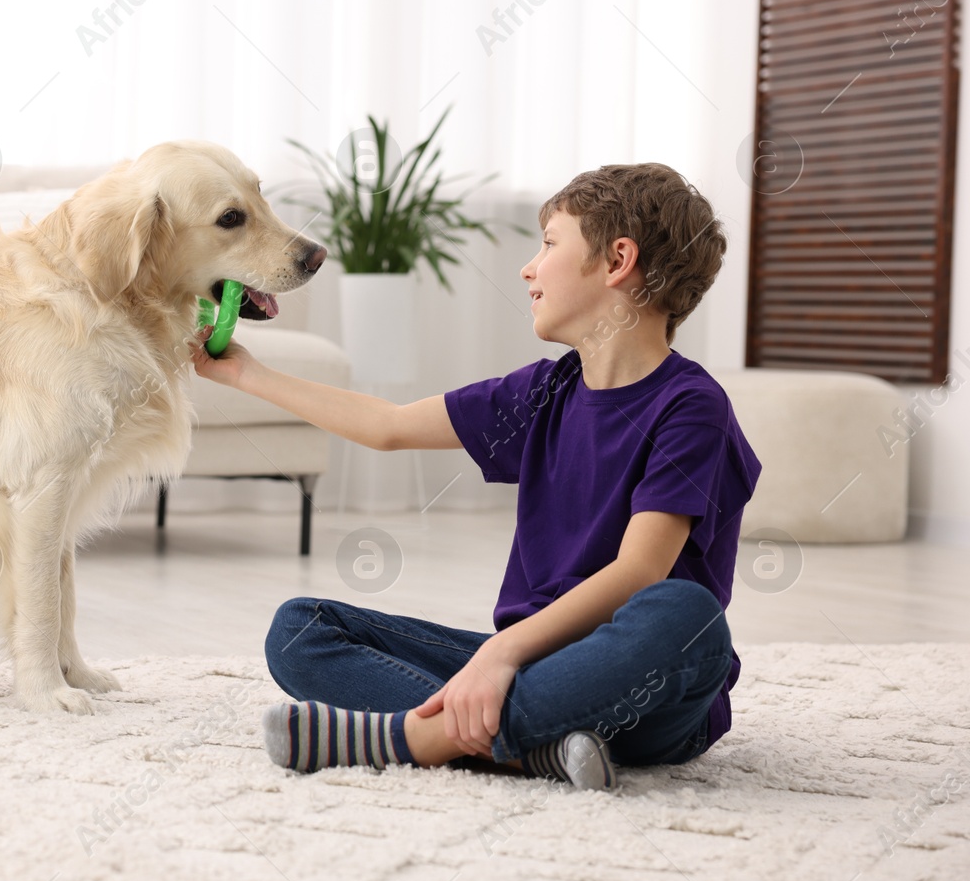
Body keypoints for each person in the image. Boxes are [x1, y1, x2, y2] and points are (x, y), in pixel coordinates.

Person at [189, 163, 760, 790]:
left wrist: (500, 652)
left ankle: (418, 736)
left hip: (642, 688)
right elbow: (391, 426)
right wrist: (245, 374)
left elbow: (638, 573)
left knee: (685, 615)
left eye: (548, 244)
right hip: (532, 665)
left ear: (617, 260)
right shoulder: (546, 391)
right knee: (301, 628)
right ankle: (531, 747)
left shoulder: (691, 407)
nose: (528, 268)